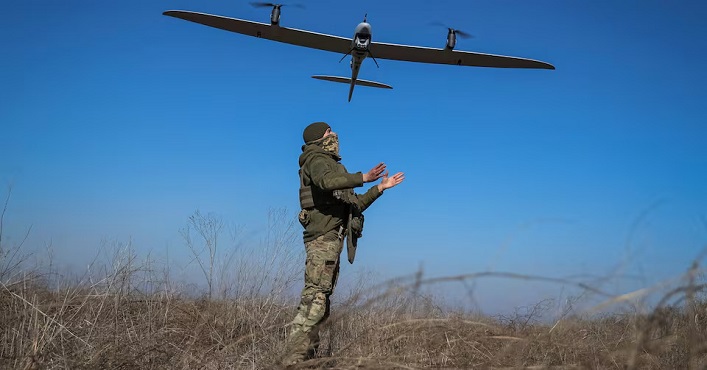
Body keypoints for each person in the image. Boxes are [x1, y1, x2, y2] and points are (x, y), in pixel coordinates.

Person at [280, 121, 405, 366]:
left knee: (321, 302)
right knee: (314, 300)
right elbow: (325, 182)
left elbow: (353, 204)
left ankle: (306, 359)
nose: (334, 134)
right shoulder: (316, 160)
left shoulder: (333, 166)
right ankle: (291, 360)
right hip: (322, 237)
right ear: (318, 138)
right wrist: (363, 177)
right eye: (329, 132)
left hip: (332, 239)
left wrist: (379, 188)